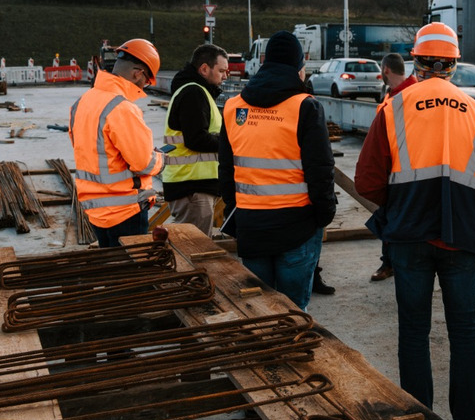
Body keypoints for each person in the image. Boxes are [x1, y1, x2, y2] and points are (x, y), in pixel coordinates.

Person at [355, 22, 475, 420]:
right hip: (461, 236)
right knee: (464, 330)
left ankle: (418, 418)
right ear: (454, 63)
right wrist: (468, 205)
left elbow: (368, 181)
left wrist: (400, 201)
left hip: (408, 234)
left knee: (413, 329)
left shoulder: (392, 108)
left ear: (418, 61)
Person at [218, 31, 336, 311]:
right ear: (298, 68)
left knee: (259, 309)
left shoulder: (234, 107)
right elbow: (320, 170)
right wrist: (324, 214)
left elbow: (226, 169)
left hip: (251, 226)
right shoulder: (305, 107)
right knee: (293, 310)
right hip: (297, 225)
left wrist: (236, 210)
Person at [69, 38, 166, 248]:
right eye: (147, 81)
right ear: (138, 73)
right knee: (133, 274)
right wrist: (161, 159)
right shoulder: (122, 108)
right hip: (125, 211)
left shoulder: (82, 103)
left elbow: (91, 151)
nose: (144, 86)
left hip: (95, 209)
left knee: (113, 268)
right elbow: (144, 163)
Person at [159, 44, 230, 237]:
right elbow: (196, 139)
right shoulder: (194, 93)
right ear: (204, 69)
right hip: (192, 186)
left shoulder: (196, 91)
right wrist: (229, 141)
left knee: (191, 244)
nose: (225, 76)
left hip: (191, 184)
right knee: (194, 248)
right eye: (222, 70)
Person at [369, 52, 417, 283]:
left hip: (409, 170)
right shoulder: (392, 95)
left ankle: (398, 263)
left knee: (400, 218)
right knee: (387, 217)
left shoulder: (411, 95)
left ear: (386, 70)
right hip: (392, 168)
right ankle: (389, 262)